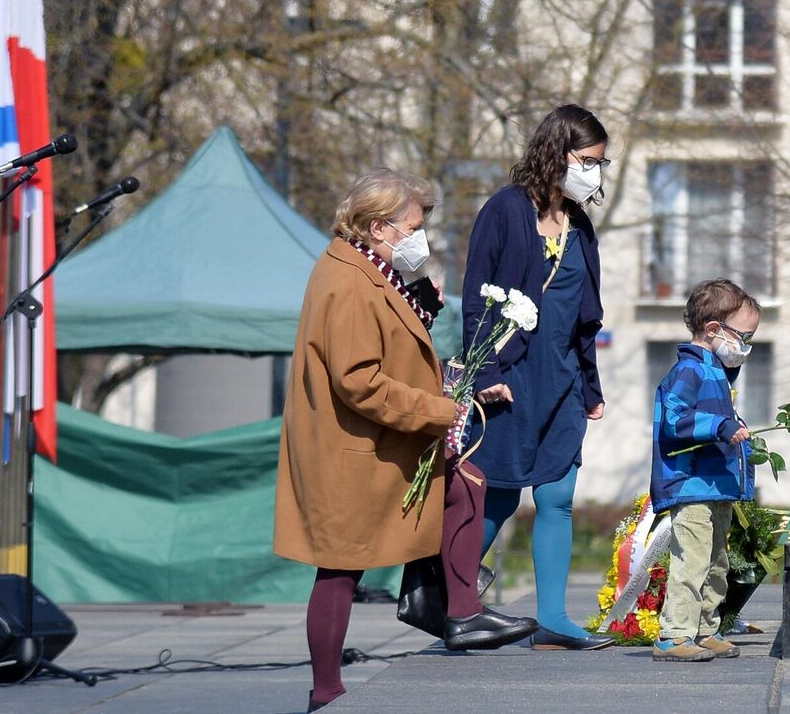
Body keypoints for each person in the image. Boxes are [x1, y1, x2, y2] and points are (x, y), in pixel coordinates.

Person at [276, 168, 533, 712]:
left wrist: (425, 309)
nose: (421, 237)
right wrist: (443, 408)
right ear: (377, 227)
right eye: (413, 226)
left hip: (383, 438)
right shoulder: (346, 279)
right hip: (355, 446)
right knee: (340, 568)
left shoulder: (370, 269)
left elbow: (393, 347)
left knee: (464, 483)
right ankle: (327, 690)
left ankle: (458, 610)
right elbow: (358, 380)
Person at [460, 104, 612, 650]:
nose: (595, 172)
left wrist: (591, 388)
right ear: (557, 152)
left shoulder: (581, 226)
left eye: (600, 163)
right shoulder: (504, 211)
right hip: (510, 381)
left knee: (558, 497)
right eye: (588, 160)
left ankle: (552, 619)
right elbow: (477, 296)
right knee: (497, 497)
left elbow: (584, 318)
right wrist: (486, 371)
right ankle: (446, 596)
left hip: (564, 386)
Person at [649, 278, 759, 661]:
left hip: (715, 487)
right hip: (691, 485)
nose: (745, 347)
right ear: (714, 329)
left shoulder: (716, 373)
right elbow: (674, 420)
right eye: (743, 337)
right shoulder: (689, 371)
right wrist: (720, 426)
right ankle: (675, 633)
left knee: (716, 562)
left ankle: (705, 628)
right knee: (692, 560)